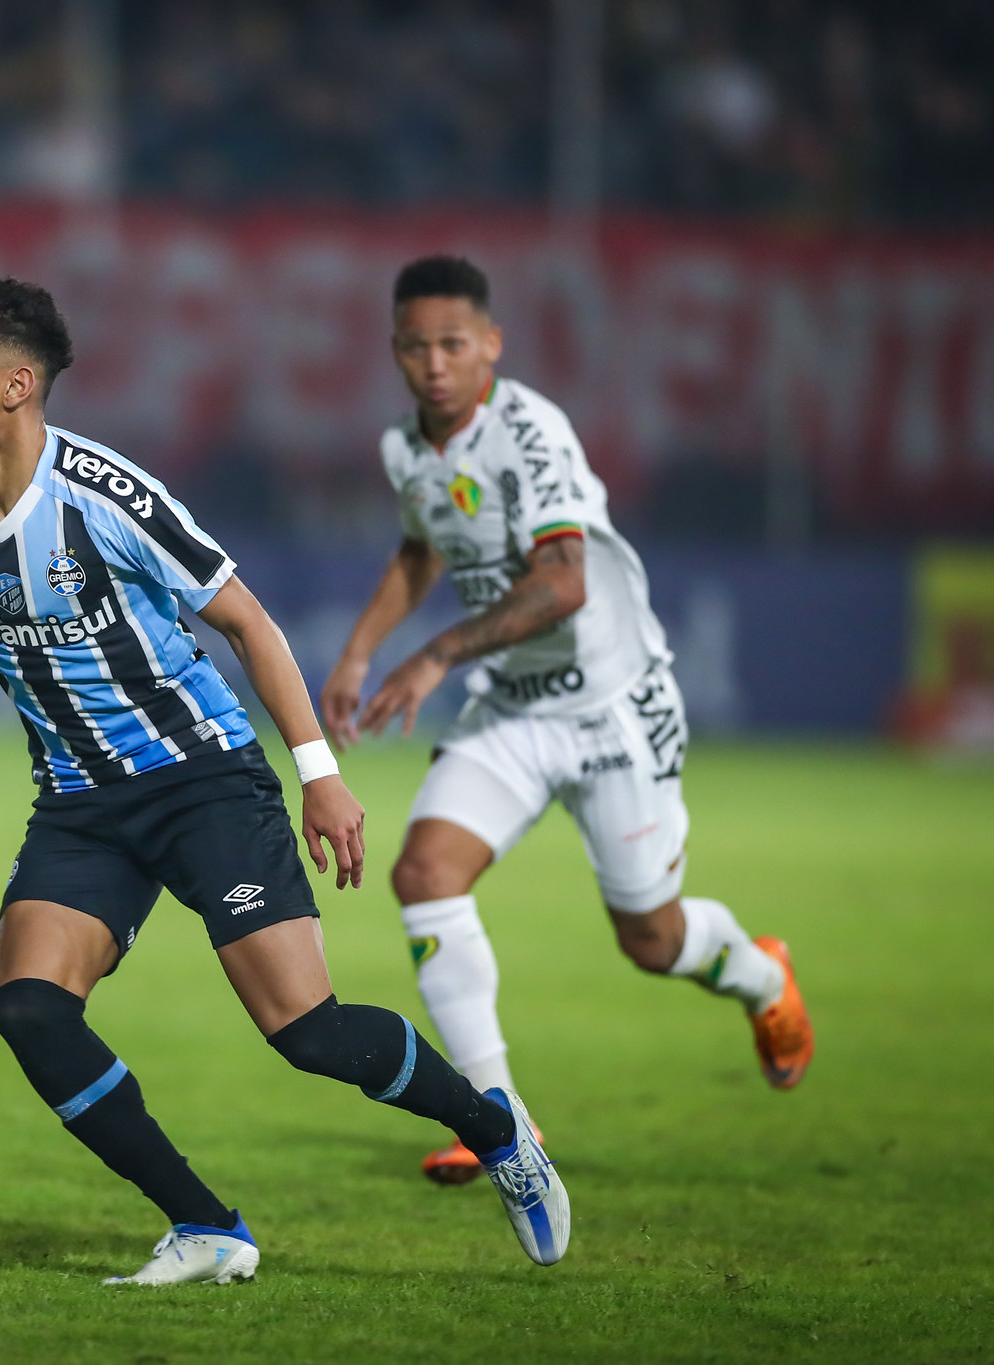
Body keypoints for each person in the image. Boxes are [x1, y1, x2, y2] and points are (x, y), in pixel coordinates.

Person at [0, 277, 570, 1283]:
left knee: (307, 1032)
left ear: (15, 385)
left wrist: (319, 775)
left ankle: (495, 1130)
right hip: (80, 805)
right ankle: (207, 1226)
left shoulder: (105, 495)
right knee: (30, 1012)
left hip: (203, 781)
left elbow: (247, 622)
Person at [319, 256, 815, 1187]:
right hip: (513, 707)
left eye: (453, 344)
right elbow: (423, 548)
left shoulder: (531, 432)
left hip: (609, 708)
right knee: (424, 872)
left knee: (652, 940)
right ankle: (500, 1118)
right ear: (395, 352)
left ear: (491, 345)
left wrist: (433, 655)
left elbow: (564, 582)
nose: (435, 364)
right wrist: (358, 652)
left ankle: (762, 975)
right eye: (417, 347)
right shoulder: (405, 448)